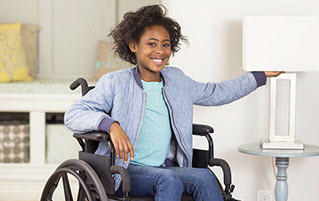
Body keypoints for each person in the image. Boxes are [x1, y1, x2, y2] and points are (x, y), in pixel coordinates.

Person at [64, 4, 281, 201]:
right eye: (151, 44)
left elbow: (216, 93)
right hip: (125, 171)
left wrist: (258, 76)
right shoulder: (116, 82)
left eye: (165, 45)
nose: (160, 51)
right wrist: (111, 125)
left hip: (167, 169)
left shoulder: (177, 80)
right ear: (133, 46)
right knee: (167, 180)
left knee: (204, 176)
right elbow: (74, 114)